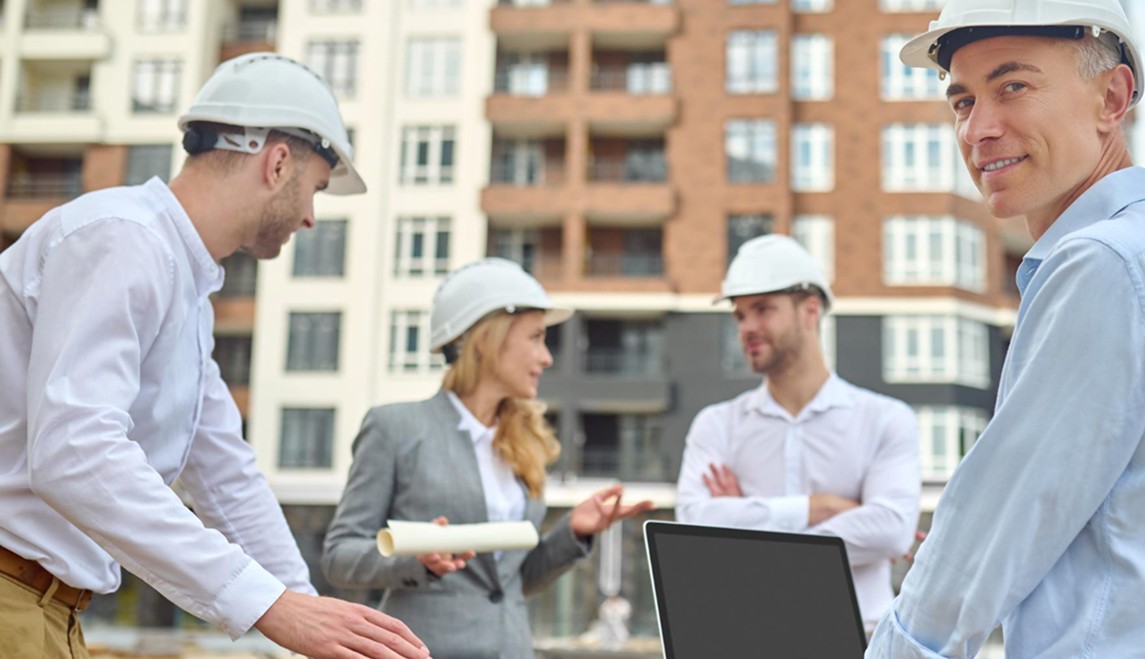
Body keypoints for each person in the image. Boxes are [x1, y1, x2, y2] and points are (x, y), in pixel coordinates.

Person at [867, 1, 1145, 656]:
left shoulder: (1101, 267)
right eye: (962, 101)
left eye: (1012, 86)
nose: (979, 128)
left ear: (1110, 99)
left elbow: (984, 541)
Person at [0, 52, 430, 659]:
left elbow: (227, 476)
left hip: (45, 610)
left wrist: (314, 627)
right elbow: (75, 452)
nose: (310, 217)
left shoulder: (184, 292)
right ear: (278, 163)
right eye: (316, 190)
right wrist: (274, 608)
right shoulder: (124, 239)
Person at [322, 258, 654, 658]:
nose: (546, 358)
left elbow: (511, 581)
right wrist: (417, 559)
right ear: (486, 338)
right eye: (535, 338)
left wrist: (573, 534)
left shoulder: (525, 441)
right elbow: (340, 556)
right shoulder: (396, 427)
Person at [674, 234, 921, 633]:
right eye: (739, 315)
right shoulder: (716, 424)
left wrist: (746, 538)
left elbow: (890, 530)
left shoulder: (886, 419)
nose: (747, 328)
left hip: (859, 638)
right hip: (748, 636)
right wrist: (821, 508)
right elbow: (691, 527)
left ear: (810, 311)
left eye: (763, 310)